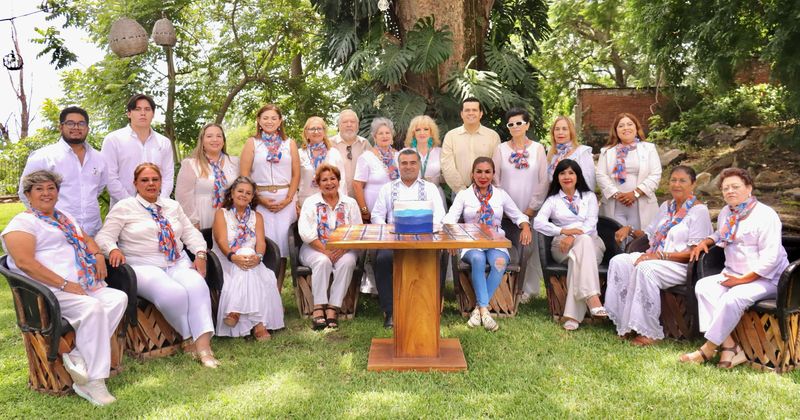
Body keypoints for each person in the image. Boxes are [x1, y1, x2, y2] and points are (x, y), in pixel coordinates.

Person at [3, 170, 127, 406]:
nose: (46, 193)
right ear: (28, 195)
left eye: (51, 188)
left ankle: (78, 355)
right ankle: (93, 382)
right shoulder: (23, 223)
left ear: (58, 193)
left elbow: (86, 239)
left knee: (117, 298)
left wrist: (97, 256)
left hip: (81, 284)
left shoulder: (64, 217)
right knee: (92, 308)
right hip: (47, 291)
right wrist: (64, 284)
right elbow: (24, 263)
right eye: (39, 189)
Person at [95, 163, 219, 369]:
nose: (150, 184)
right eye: (144, 180)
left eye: (155, 179)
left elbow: (190, 233)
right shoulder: (124, 207)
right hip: (143, 264)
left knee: (197, 286)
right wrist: (112, 249)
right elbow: (104, 237)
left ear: (161, 182)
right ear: (135, 184)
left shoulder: (172, 205)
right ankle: (190, 338)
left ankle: (204, 349)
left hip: (177, 260)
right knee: (173, 293)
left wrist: (199, 252)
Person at [681, 168, 789, 368]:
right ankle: (730, 347)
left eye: (735, 187)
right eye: (725, 188)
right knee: (704, 287)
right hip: (734, 274)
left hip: (768, 279)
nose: (729, 191)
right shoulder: (727, 212)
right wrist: (707, 240)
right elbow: (721, 233)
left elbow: (771, 259)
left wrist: (742, 280)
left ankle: (707, 349)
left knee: (734, 296)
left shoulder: (766, 215)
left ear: (749, 188)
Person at [605, 166, 713, 345]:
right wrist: (630, 230)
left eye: (682, 181)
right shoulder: (666, 206)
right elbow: (648, 235)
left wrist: (659, 256)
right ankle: (625, 324)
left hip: (681, 264)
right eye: (673, 180)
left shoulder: (699, 211)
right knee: (619, 261)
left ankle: (648, 331)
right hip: (655, 256)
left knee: (645, 268)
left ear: (693, 184)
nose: (676, 184)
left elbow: (694, 253)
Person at [444, 157, 531, 332]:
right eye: (479, 171)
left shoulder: (500, 195)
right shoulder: (464, 195)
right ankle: (485, 311)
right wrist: (451, 237)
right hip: (471, 242)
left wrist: (526, 226)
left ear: (493, 174)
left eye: (487, 172)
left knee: (499, 262)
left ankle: (479, 309)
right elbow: (449, 219)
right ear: (472, 174)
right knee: (477, 259)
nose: (483, 176)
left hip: (496, 241)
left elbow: (518, 215)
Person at [372, 149, 446, 328]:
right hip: (394, 240)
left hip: (425, 239)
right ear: (398, 165)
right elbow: (377, 215)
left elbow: (440, 215)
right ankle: (390, 311)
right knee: (381, 259)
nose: (408, 167)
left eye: (413, 163)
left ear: (419, 165)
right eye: (404, 163)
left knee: (440, 258)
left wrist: (428, 232)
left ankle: (430, 308)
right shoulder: (387, 188)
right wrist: (389, 232)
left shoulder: (430, 188)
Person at [533, 159, 606, 331]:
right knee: (580, 250)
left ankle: (573, 316)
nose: (567, 177)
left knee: (580, 251)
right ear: (557, 177)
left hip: (592, 244)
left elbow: (590, 223)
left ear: (578, 176)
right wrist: (562, 232)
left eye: (571, 173)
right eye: (562, 173)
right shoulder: (553, 200)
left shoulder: (589, 197)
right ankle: (593, 298)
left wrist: (573, 236)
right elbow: (538, 223)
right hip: (562, 247)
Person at [211, 176, 284, 339]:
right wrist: (233, 257)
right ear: (231, 193)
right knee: (245, 257)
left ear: (252, 197)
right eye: (240, 191)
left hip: (252, 261)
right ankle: (259, 326)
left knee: (249, 259)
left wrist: (258, 257)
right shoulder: (221, 214)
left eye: (248, 193)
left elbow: (261, 243)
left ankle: (235, 311)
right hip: (225, 259)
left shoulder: (257, 217)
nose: (244, 195)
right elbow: (221, 241)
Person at [19, 106, 107, 236]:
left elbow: (98, 189)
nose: (76, 127)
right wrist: (45, 218)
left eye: (81, 123)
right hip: (56, 231)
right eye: (70, 123)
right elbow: (25, 192)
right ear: (61, 127)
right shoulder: (44, 156)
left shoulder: (99, 158)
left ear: (87, 128)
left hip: (93, 231)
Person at [492, 107, 548, 303]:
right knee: (508, 247)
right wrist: (508, 209)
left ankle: (529, 289)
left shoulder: (538, 149)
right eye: (511, 124)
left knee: (529, 248)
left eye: (519, 123)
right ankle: (506, 286)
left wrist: (530, 209)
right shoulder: (500, 149)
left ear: (527, 125)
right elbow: (496, 180)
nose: (515, 126)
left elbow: (543, 181)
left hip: (530, 207)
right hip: (507, 210)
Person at [298, 164, 362, 330]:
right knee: (322, 262)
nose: (329, 183)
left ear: (339, 181)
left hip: (345, 247)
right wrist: (325, 250)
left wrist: (343, 249)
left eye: (332, 179)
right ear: (318, 184)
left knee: (347, 262)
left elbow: (356, 230)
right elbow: (306, 233)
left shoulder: (350, 203)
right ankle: (319, 307)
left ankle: (333, 308)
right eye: (324, 180)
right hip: (314, 247)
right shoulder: (311, 203)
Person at [239, 104, 300, 268]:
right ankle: (265, 287)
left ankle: (278, 289)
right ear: (258, 121)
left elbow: (296, 174)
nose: (269, 121)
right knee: (264, 245)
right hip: (260, 201)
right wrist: (258, 200)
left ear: (280, 121)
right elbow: (244, 176)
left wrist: (288, 199)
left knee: (284, 247)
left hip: (285, 200)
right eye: (265, 118)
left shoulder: (290, 143)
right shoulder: (252, 143)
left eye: (274, 118)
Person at [101, 93, 174, 206]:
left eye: (147, 109)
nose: (143, 113)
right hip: (124, 209)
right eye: (137, 109)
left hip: (157, 208)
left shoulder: (164, 142)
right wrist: (134, 205)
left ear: (153, 114)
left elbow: (168, 176)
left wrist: (160, 201)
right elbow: (110, 178)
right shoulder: (113, 140)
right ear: (129, 114)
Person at [596, 113, 661, 230]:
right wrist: (617, 194)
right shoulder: (606, 152)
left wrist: (635, 193)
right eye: (621, 126)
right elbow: (601, 175)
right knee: (615, 241)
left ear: (636, 128)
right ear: (616, 131)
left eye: (630, 124)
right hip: (615, 205)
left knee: (641, 242)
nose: (626, 128)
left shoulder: (649, 148)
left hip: (642, 204)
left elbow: (655, 175)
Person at [175, 123, 240, 230]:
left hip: (230, 215)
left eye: (219, 136)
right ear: (202, 141)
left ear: (223, 141)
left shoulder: (235, 162)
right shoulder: (191, 164)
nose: (215, 139)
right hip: (202, 216)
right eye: (209, 136)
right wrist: (193, 221)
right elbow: (183, 198)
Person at [441, 98, 501, 195]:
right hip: (459, 193)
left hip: (487, 191)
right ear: (461, 114)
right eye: (467, 110)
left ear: (481, 114)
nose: (471, 113)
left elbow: (496, 166)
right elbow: (447, 166)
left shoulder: (492, 136)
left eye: (474, 110)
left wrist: (486, 188)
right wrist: (462, 191)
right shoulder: (451, 136)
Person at [353, 117, 399, 222]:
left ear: (392, 136)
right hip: (373, 209)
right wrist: (364, 210)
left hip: (395, 209)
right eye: (380, 133)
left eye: (387, 133)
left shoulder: (398, 156)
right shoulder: (366, 157)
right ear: (374, 137)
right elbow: (357, 185)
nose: (384, 136)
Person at [297, 116, 347, 206]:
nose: (316, 132)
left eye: (319, 128)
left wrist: (341, 203)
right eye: (312, 129)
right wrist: (295, 203)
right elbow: (294, 180)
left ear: (324, 132)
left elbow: (342, 180)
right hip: (305, 203)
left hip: (331, 202)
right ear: (306, 133)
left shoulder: (334, 153)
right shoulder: (299, 154)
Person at [546, 116, 595, 191]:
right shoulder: (551, 153)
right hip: (553, 199)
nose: (560, 132)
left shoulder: (582, 152)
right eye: (557, 129)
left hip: (577, 200)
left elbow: (589, 183)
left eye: (564, 129)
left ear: (571, 132)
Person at [330, 109, 372, 197]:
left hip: (361, 198)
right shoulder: (330, 144)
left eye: (352, 122)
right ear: (339, 125)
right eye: (345, 122)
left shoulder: (365, 144)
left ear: (358, 125)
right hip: (335, 197)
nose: (349, 125)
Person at [404, 115, 444, 201]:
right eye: (418, 130)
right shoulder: (405, 153)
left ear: (431, 132)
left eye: (426, 129)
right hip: (412, 196)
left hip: (435, 195)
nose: (422, 133)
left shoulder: (441, 152)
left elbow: (446, 176)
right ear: (413, 133)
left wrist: (438, 178)